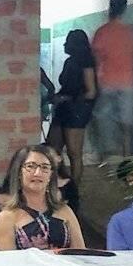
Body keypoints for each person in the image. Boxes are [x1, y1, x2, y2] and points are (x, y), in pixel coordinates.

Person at [0, 145, 85, 251]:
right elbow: (7, 259)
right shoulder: (7, 217)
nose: (38, 173)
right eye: (30, 166)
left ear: (51, 175)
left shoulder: (65, 211)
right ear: (19, 172)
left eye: (44, 167)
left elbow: (80, 254)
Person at [90, 0, 133, 157]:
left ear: (110, 9)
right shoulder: (129, 33)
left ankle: (105, 154)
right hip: (128, 82)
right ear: (124, 11)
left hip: (107, 82)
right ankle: (126, 155)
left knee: (101, 119)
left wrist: (94, 82)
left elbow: (96, 59)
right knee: (126, 122)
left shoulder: (102, 32)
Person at [50, 28, 97, 182]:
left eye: (68, 42)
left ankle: (74, 187)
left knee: (74, 152)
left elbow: (91, 92)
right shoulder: (70, 61)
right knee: (52, 148)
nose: (65, 45)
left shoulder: (86, 61)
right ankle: (61, 180)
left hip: (77, 109)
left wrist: (67, 98)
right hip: (65, 107)